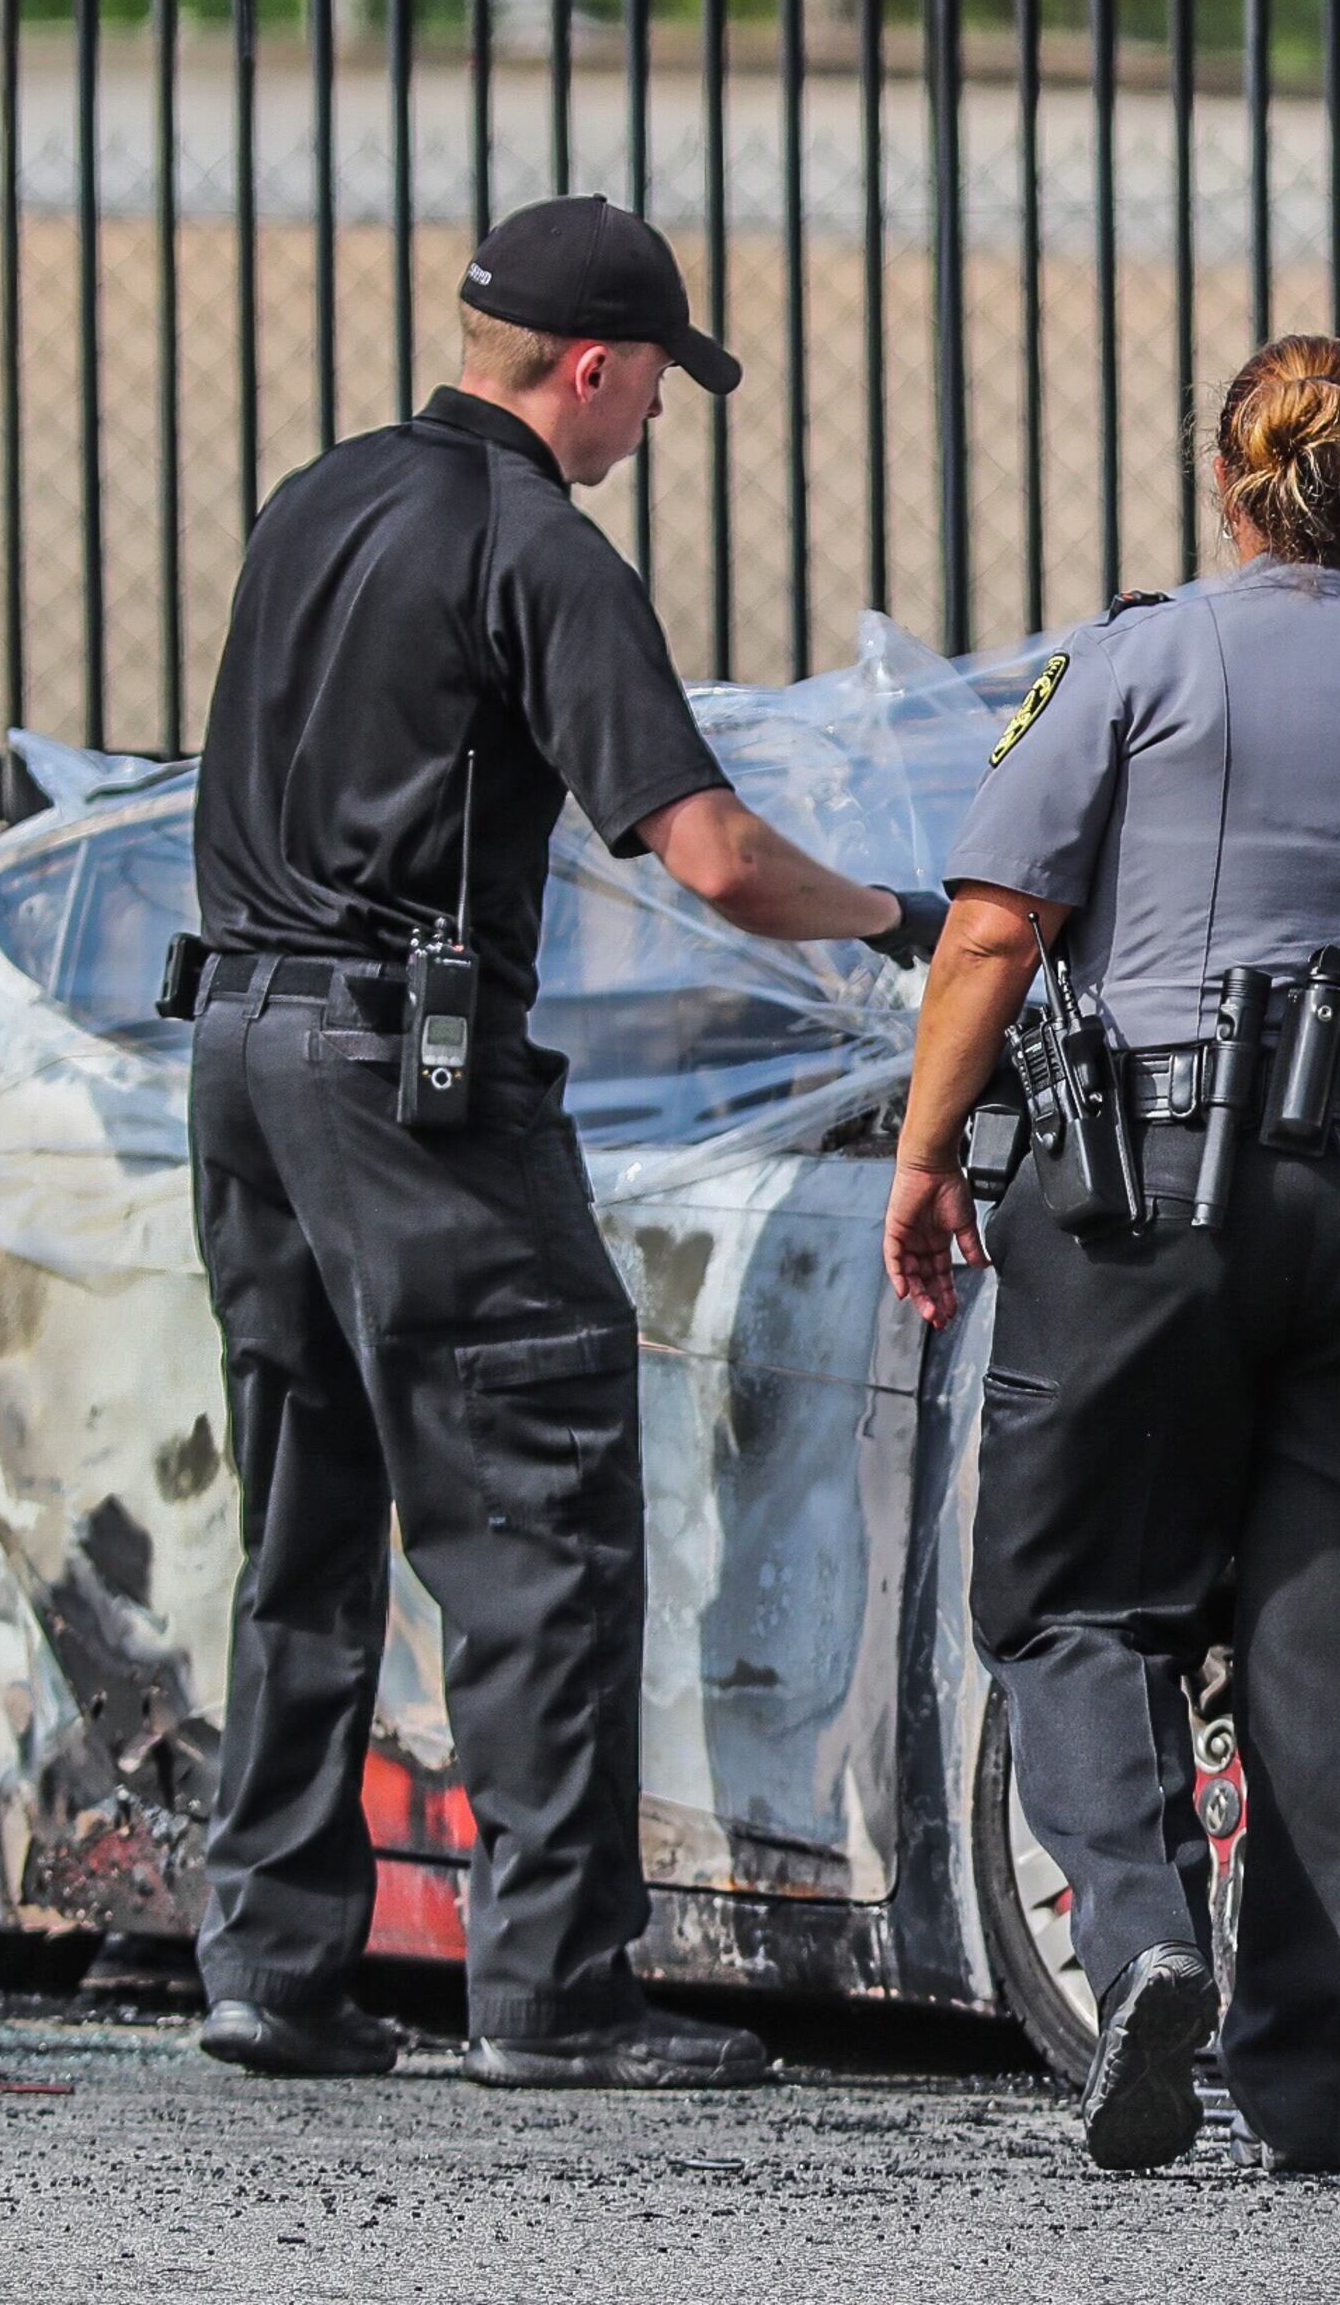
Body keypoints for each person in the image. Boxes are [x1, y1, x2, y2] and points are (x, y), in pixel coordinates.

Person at [182, 193, 946, 2087]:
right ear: (590, 367)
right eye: (658, 382)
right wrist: (897, 919)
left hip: (242, 1046)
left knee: (305, 1512)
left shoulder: (316, 499)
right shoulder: (539, 547)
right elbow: (711, 853)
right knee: (540, 1502)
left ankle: (271, 1961)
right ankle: (553, 1990)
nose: (660, 417)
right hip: (401, 1078)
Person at [881, 333, 1340, 2173]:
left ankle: (1144, 1931)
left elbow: (992, 932)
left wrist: (925, 1153)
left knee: (1075, 1590)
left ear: (1227, 485)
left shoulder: (1132, 665)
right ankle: (1310, 2080)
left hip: (1145, 1202)